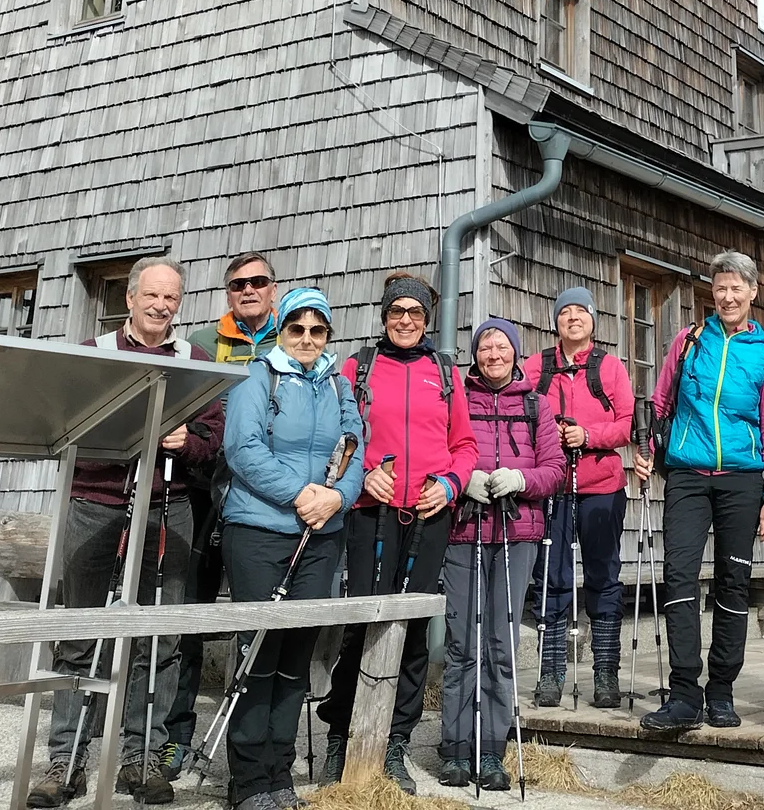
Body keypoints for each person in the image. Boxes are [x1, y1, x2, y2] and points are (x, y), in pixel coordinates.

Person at [30, 257, 223, 809]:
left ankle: (142, 758)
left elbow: (214, 437)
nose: (161, 306)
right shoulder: (95, 353)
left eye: (172, 298)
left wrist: (187, 442)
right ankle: (66, 760)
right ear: (131, 298)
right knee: (80, 633)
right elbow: (63, 426)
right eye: (152, 295)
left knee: (157, 638)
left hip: (167, 506)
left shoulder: (194, 361)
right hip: (96, 502)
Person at [318, 272, 477, 793]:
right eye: (396, 312)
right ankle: (341, 735)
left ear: (426, 320)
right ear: (384, 316)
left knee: (411, 629)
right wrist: (364, 473)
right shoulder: (358, 367)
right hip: (371, 512)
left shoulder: (444, 372)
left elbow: (465, 446)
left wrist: (450, 485)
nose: (405, 321)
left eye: (415, 313)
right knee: (361, 622)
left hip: (429, 514)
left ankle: (394, 741)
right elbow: (338, 436)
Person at [219, 286, 364, 810]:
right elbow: (242, 448)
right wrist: (300, 493)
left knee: (296, 655)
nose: (306, 338)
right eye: (296, 328)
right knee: (259, 652)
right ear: (281, 330)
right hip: (259, 530)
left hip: (320, 535)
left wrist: (338, 498)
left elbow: (355, 451)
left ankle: (279, 772)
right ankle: (248, 779)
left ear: (327, 335)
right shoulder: (257, 378)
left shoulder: (338, 386)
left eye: (317, 330)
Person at [637, 250, 764, 733]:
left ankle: (721, 690)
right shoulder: (689, 342)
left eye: (736, 288)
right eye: (720, 288)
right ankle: (684, 693)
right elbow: (660, 402)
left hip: (742, 480)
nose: (727, 296)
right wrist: (645, 448)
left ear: (753, 292)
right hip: (687, 474)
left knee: (733, 581)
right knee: (679, 575)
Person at [163, 251, 281, 777]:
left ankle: (250, 747)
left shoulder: (295, 338)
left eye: (258, 281)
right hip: (204, 495)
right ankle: (175, 736)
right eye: (238, 284)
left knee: (259, 623)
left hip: (267, 502)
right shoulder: (202, 345)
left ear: (273, 289)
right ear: (227, 293)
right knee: (189, 616)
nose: (248, 290)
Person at [440, 319, 563, 791]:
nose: (493, 354)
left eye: (501, 346)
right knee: (462, 645)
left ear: (515, 352)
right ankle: (455, 749)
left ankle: (492, 749)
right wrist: (460, 479)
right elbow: (442, 451)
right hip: (464, 531)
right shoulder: (457, 397)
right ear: (475, 355)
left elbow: (554, 469)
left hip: (518, 533)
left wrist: (521, 479)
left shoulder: (536, 404)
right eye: (485, 347)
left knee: (500, 645)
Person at [521, 285, 634, 708]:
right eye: (565, 312)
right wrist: (549, 435)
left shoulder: (610, 367)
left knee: (603, 575)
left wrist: (587, 435)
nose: (572, 318)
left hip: (601, 486)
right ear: (555, 322)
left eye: (580, 312)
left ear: (592, 321)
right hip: (552, 486)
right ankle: (550, 672)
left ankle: (605, 673)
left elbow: (626, 424)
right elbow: (519, 414)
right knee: (551, 577)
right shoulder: (536, 366)